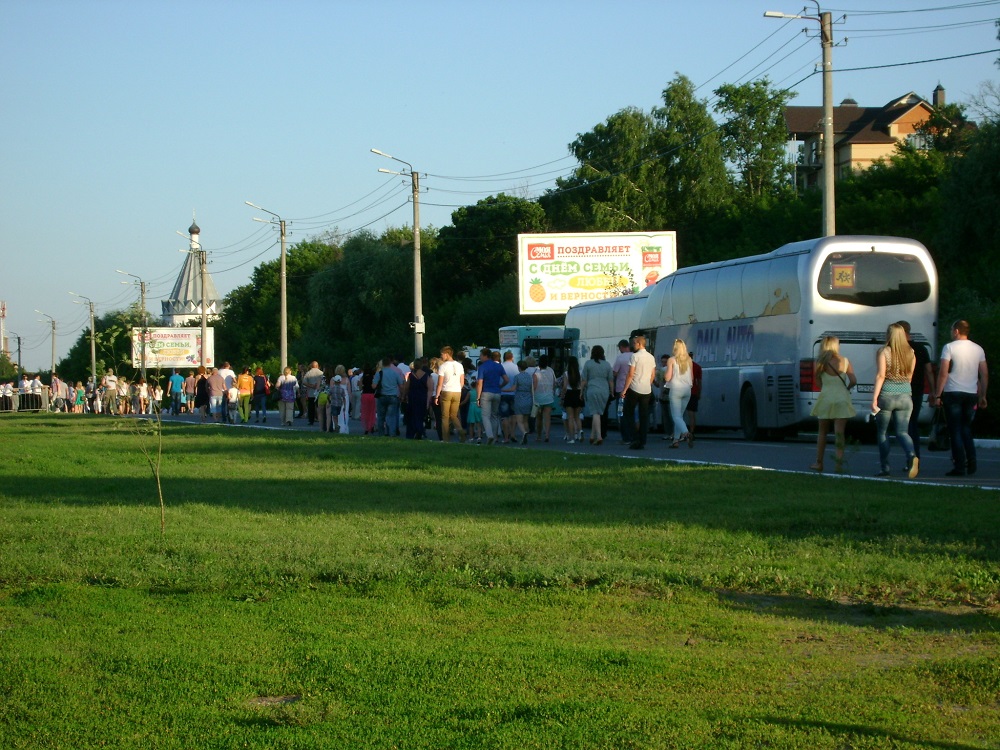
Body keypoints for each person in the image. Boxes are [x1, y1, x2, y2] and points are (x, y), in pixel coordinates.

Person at [931, 319, 989, 477]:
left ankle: (959, 466)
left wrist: (937, 394)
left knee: (955, 430)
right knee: (966, 428)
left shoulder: (949, 347)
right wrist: (982, 395)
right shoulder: (978, 349)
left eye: (951, 329)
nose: (951, 332)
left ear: (956, 331)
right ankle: (972, 462)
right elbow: (984, 373)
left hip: (953, 392)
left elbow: (943, 372)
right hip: (971, 394)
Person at [872, 323, 918, 479]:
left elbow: (881, 376)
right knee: (902, 432)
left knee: (883, 432)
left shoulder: (884, 351)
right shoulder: (911, 352)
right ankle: (911, 455)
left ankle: (885, 467)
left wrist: (874, 398)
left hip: (887, 395)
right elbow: (910, 376)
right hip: (906, 396)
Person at [809, 336, 856, 473]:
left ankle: (819, 463)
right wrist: (846, 388)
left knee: (822, 432)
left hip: (826, 398)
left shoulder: (820, 362)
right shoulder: (845, 361)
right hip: (842, 398)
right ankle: (839, 465)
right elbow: (853, 380)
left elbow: (818, 383)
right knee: (839, 433)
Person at [896, 321, 934, 466]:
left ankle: (910, 457)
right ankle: (915, 456)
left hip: (899, 391)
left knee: (902, 426)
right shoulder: (921, 349)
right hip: (917, 391)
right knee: (913, 424)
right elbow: (929, 371)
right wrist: (933, 391)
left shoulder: (896, 349)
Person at [621, 334, 656, 450]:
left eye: (634, 343)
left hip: (634, 388)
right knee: (643, 415)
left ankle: (634, 438)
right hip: (646, 390)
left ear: (639, 344)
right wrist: (648, 384)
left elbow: (630, 374)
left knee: (628, 413)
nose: (633, 345)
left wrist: (624, 390)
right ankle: (643, 440)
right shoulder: (651, 357)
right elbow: (653, 375)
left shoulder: (634, 356)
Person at [664, 339, 695, 449]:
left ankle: (686, 434)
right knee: (680, 416)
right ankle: (675, 441)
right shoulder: (689, 360)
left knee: (676, 416)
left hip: (676, 389)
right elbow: (692, 377)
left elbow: (667, 377)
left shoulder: (671, 360)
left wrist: (664, 376)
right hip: (687, 390)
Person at [581, 345, 613, 446]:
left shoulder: (588, 364)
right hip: (604, 390)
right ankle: (592, 435)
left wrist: (581, 392)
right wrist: (611, 392)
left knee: (595, 413)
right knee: (599, 412)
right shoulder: (607, 365)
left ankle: (598, 436)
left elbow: (584, 380)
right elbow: (611, 380)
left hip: (592, 389)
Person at [476, 348, 508, 445]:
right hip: (497, 393)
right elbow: (506, 380)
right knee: (494, 416)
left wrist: (478, 397)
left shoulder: (482, 367)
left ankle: (489, 435)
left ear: (485, 356)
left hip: (486, 393)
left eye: (481, 355)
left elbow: (480, 383)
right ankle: (494, 437)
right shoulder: (498, 366)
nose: (480, 357)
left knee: (485, 415)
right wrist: (500, 386)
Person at [434, 346, 466, 443]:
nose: (441, 356)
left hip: (446, 391)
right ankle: (461, 431)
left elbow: (440, 383)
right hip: (457, 392)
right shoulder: (460, 365)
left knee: (445, 417)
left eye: (442, 354)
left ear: (447, 354)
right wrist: (458, 388)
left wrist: (437, 396)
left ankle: (446, 439)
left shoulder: (443, 366)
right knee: (454, 415)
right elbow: (462, 382)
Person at [374, 355, 405, 437]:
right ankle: (392, 433)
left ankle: (381, 433)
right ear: (390, 363)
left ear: (383, 364)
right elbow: (401, 386)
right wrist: (402, 395)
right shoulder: (395, 373)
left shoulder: (379, 373)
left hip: (382, 396)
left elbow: (373, 386)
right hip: (393, 396)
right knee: (392, 416)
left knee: (381, 416)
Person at [611, 339, 634, 444]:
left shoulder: (620, 358)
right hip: (634, 389)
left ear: (621, 347)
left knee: (621, 414)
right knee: (631, 414)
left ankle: (626, 438)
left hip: (621, 389)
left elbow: (614, 373)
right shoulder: (635, 356)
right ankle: (633, 435)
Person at [559, 356, 584, 444]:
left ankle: (572, 438)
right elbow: (582, 385)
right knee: (577, 416)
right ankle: (580, 431)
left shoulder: (566, 373)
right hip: (578, 394)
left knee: (570, 417)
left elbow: (565, 387)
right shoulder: (580, 372)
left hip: (569, 394)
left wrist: (562, 396)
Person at [532, 355, 556, 443]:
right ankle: (547, 435)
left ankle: (538, 436)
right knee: (547, 417)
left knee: (539, 418)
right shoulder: (551, 370)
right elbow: (554, 383)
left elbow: (534, 385)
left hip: (538, 398)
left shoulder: (536, 371)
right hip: (549, 397)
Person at [405, 358, 431, 440]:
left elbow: (406, 387)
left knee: (412, 416)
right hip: (422, 397)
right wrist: (428, 401)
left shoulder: (411, 375)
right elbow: (430, 389)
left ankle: (411, 433)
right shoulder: (426, 375)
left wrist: (404, 396)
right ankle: (420, 431)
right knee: (420, 416)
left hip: (412, 397)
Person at [511, 360, 534, 445]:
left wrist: (503, 389)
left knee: (519, 420)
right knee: (525, 420)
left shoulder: (517, 377)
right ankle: (526, 432)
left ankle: (524, 432)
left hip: (519, 398)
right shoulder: (530, 376)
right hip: (528, 399)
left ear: (519, 367)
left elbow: (513, 388)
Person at [500, 350, 519, 443]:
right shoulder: (516, 367)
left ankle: (506, 437)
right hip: (514, 394)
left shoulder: (501, 367)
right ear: (512, 358)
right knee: (513, 415)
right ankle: (513, 434)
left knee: (504, 416)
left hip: (503, 393)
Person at [301, 361, 325, 425]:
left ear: (311, 366)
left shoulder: (308, 373)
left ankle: (311, 420)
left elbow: (304, 382)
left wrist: (311, 385)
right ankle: (321, 419)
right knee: (320, 407)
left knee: (311, 407)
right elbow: (324, 382)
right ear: (317, 366)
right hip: (319, 392)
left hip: (311, 393)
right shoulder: (321, 373)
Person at [685, 352, 703, 438]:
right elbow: (699, 382)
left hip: (683, 392)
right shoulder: (697, 367)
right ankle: (692, 432)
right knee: (691, 413)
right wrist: (699, 393)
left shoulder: (682, 367)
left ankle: (682, 433)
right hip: (693, 392)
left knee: (679, 414)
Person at [360, 365, 377, 435]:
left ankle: (366, 427)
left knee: (365, 411)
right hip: (372, 395)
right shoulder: (373, 377)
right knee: (372, 411)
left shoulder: (362, 378)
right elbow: (374, 386)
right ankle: (372, 425)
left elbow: (360, 387)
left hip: (365, 395)